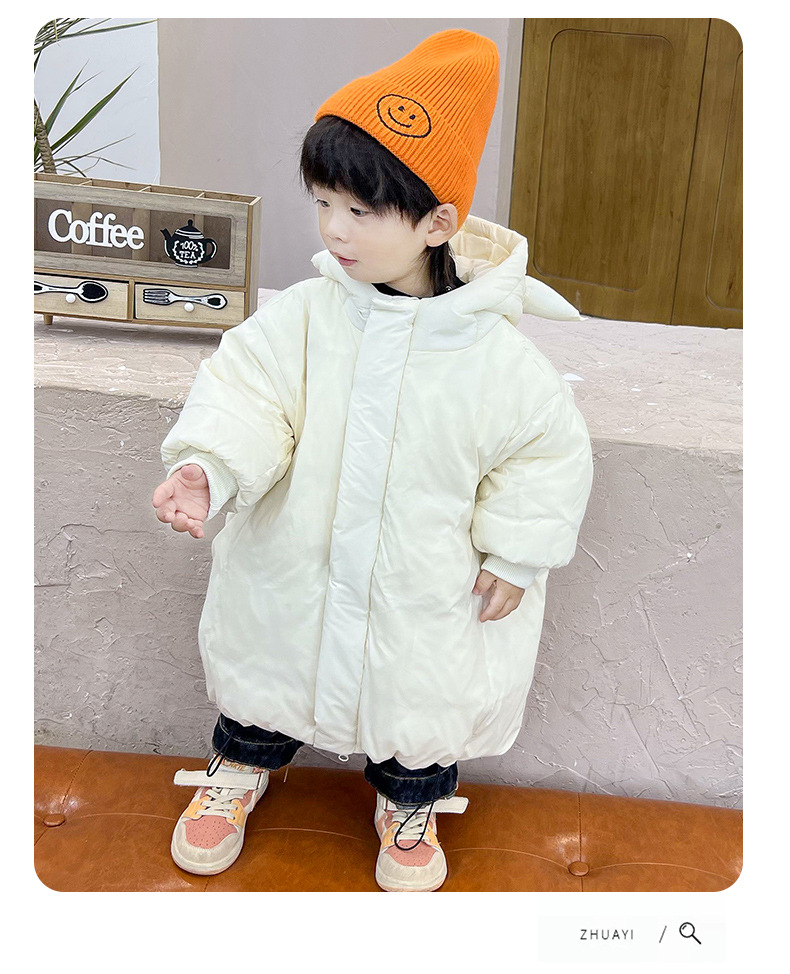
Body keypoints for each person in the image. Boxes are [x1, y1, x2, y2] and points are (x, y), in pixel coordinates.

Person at [152, 29, 593, 893]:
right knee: (266, 672)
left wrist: (515, 552)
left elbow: (543, 454)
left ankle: (412, 799)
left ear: (437, 222)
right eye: (323, 203)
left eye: (360, 211)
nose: (332, 229)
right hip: (296, 560)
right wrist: (210, 466)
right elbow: (247, 394)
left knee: (420, 699)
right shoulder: (306, 317)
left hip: (426, 582)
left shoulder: (497, 359)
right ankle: (238, 767)